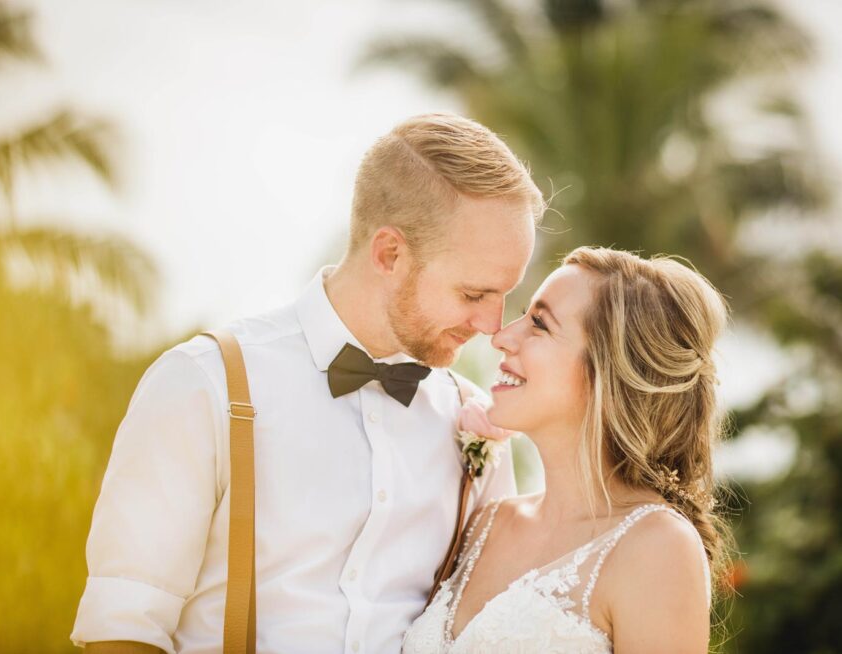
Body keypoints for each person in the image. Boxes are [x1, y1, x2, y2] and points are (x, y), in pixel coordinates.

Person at [71, 113, 544, 653]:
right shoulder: (206, 384)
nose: (492, 325)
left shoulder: (477, 425)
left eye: (505, 294)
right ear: (390, 254)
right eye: (473, 294)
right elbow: (123, 628)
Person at [403, 246, 731, 653]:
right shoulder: (486, 522)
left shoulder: (657, 548)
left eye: (539, 323)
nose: (502, 337)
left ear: (608, 371)